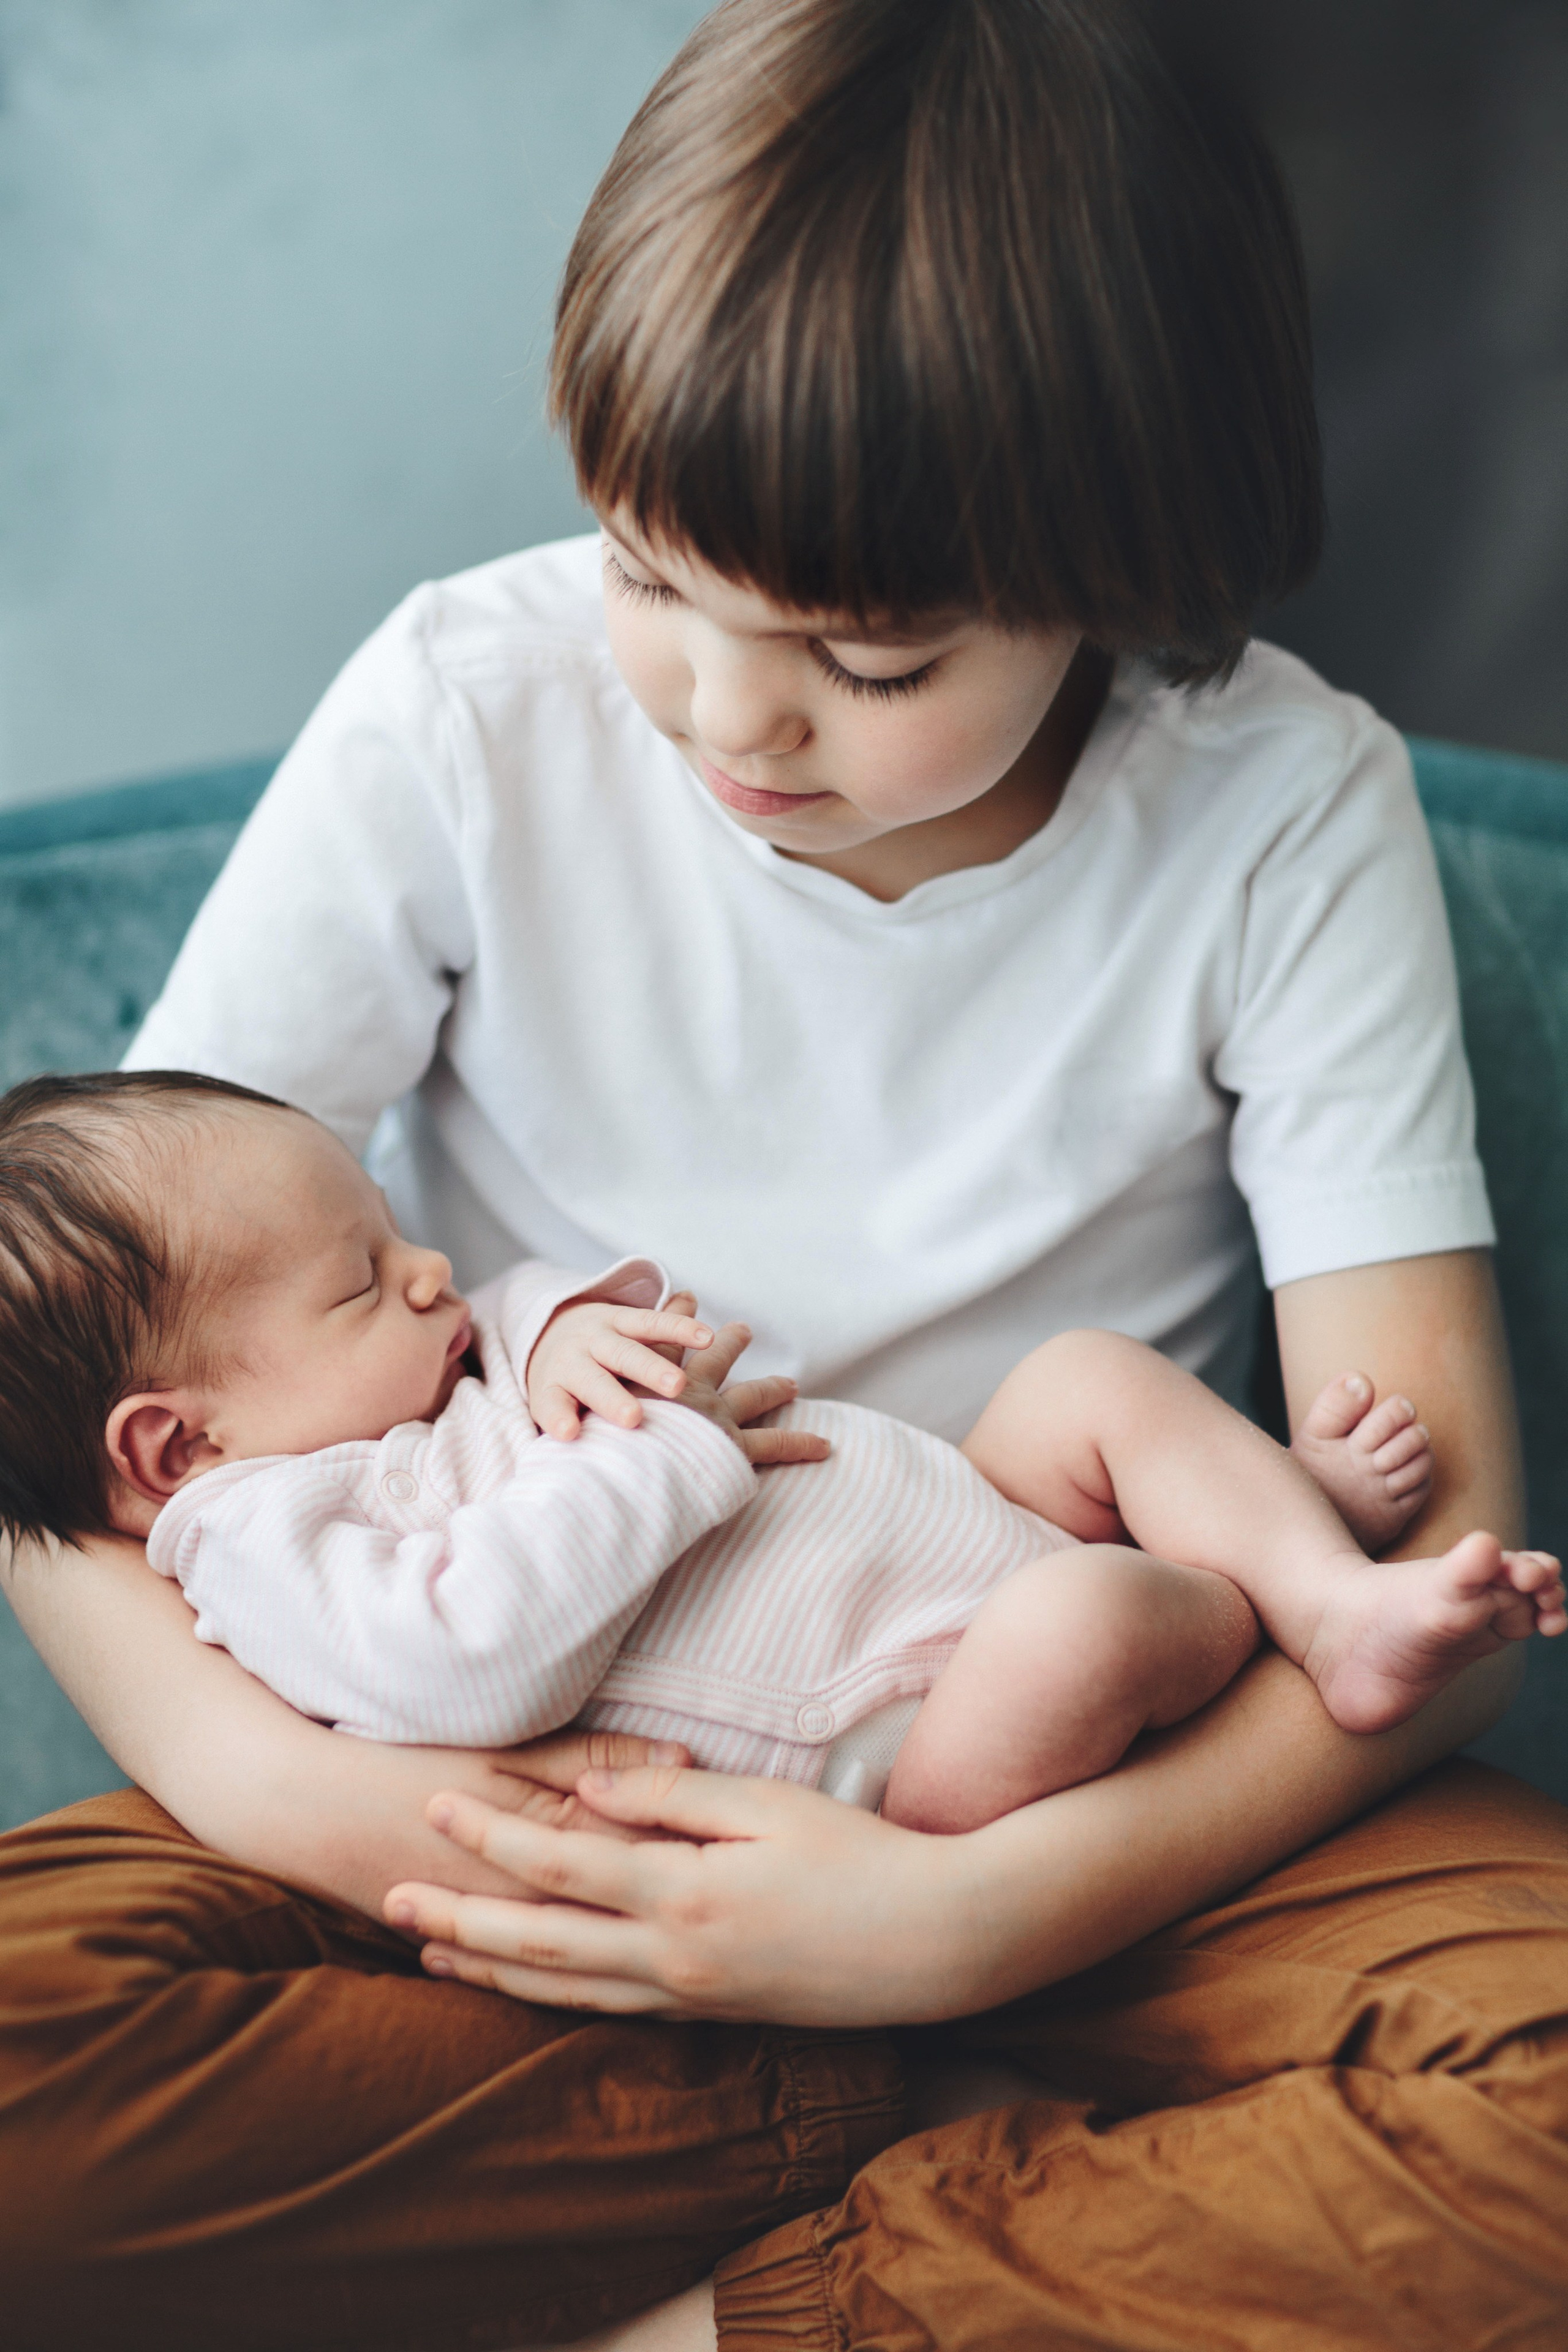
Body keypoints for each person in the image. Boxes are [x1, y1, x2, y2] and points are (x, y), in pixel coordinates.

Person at [4, 4, 1564, 2348]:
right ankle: (939, 2162)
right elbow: (80, 1401)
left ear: (1124, 566)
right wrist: (383, 1824)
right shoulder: (464, 706)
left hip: (1081, 1785)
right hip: (503, 1808)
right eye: (650, 575)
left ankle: (761, 2291)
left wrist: (964, 1923)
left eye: (869, 654)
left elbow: (1440, 1580)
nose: (730, 717)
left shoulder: (1282, 814)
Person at [4, 1070, 1561, 1843]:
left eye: (397, 1234)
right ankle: (1257, 1584)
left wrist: (550, 1337)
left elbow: (507, 1307)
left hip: (962, 1511)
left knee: (1082, 1379)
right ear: (176, 1444)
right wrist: (664, 1451)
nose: (429, 1274)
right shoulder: (270, 1547)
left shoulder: (415, 1374)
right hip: (904, 1740)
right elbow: (471, 1661)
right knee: (1079, 1622)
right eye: (363, 1279)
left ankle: (1306, 1573)